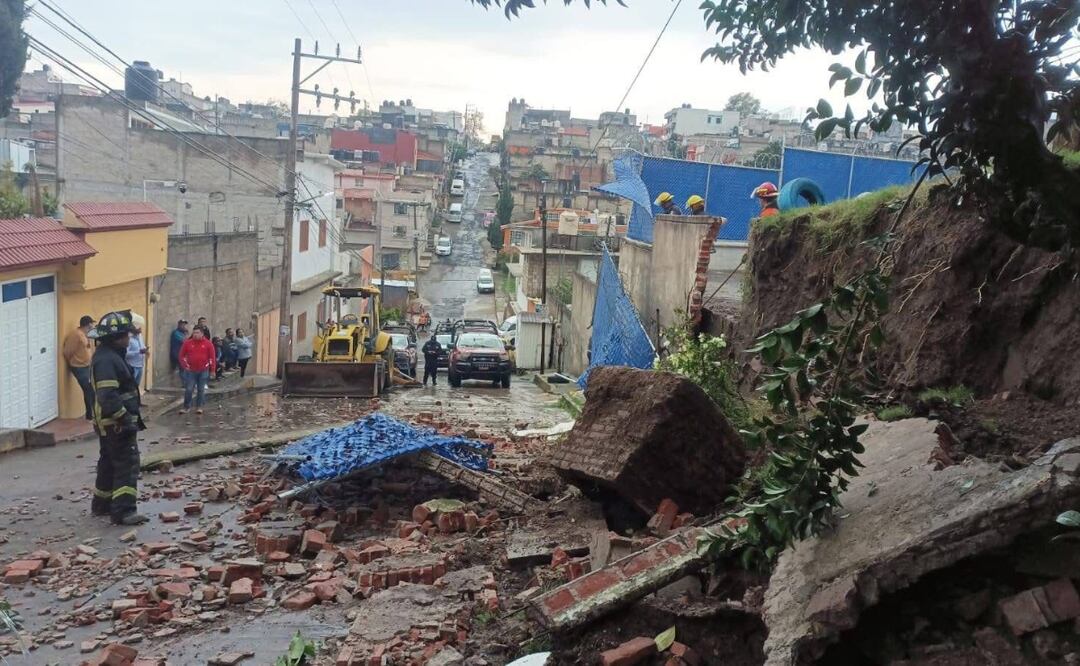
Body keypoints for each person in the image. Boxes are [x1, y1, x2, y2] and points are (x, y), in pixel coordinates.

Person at [88, 311, 147, 526]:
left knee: (109, 463)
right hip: (116, 423)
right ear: (116, 337)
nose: (129, 338)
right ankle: (124, 511)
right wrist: (124, 418)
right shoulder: (107, 360)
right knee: (127, 464)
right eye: (127, 335)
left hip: (109, 423)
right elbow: (107, 395)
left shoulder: (107, 356)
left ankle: (102, 504)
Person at [62, 315, 96, 420]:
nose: (92, 326)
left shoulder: (84, 335)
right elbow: (67, 351)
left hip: (86, 366)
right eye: (91, 324)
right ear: (87, 324)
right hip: (79, 367)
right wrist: (74, 361)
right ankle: (90, 415)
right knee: (88, 390)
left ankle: (93, 413)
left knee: (91, 390)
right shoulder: (76, 335)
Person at [179, 327, 216, 414]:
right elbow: (181, 356)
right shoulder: (187, 343)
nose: (195, 334)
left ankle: (199, 407)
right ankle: (186, 407)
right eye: (194, 332)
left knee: (201, 389)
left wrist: (213, 370)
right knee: (189, 389)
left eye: (197, 333)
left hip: (203, 370)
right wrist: (185, 365)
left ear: (202, 334)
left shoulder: (208, 344)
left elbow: (212, 358)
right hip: (190, 370)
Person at [125, 318, 148, 389]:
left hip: (140, 365)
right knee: (131, 386)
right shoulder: (129, 339)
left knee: (136, 386)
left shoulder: (140, 336)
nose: (141, 329)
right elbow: (126, 354)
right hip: (132, 366)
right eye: (139, 328)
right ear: (133, 329)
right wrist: (138, 352)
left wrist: (146, 350)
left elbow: (142, 346)